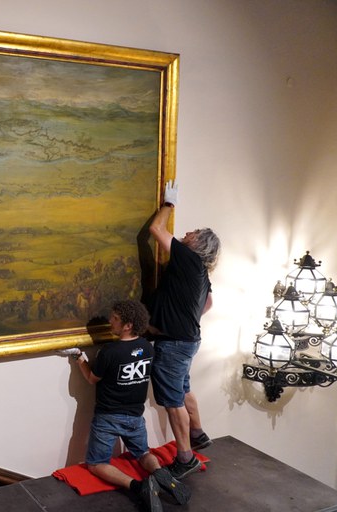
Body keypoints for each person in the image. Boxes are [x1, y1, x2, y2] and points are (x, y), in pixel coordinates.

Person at [61, 300, 190, 511]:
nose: (110, 321)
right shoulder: (147, 347)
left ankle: (138, 486)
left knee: (97, 463)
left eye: (115, 319)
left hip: (108, 417)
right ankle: (161, 474)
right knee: (143, 454)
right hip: (135, 416)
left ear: (128, 325)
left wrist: (78, 358)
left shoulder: (110, 351)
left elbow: (92, 379)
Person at [146, 179, 221, 479]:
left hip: (175, 343)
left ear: (198, 244)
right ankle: (198, 434)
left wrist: (169, 203)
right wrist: (182, 317)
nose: (187, 232)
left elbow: (156, 230)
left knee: (172, 400)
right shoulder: (201, 271)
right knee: (183, 388)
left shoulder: (188, 258)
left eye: (193, 233)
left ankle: (186, 457)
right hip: (189, 340)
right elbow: (209, 303)